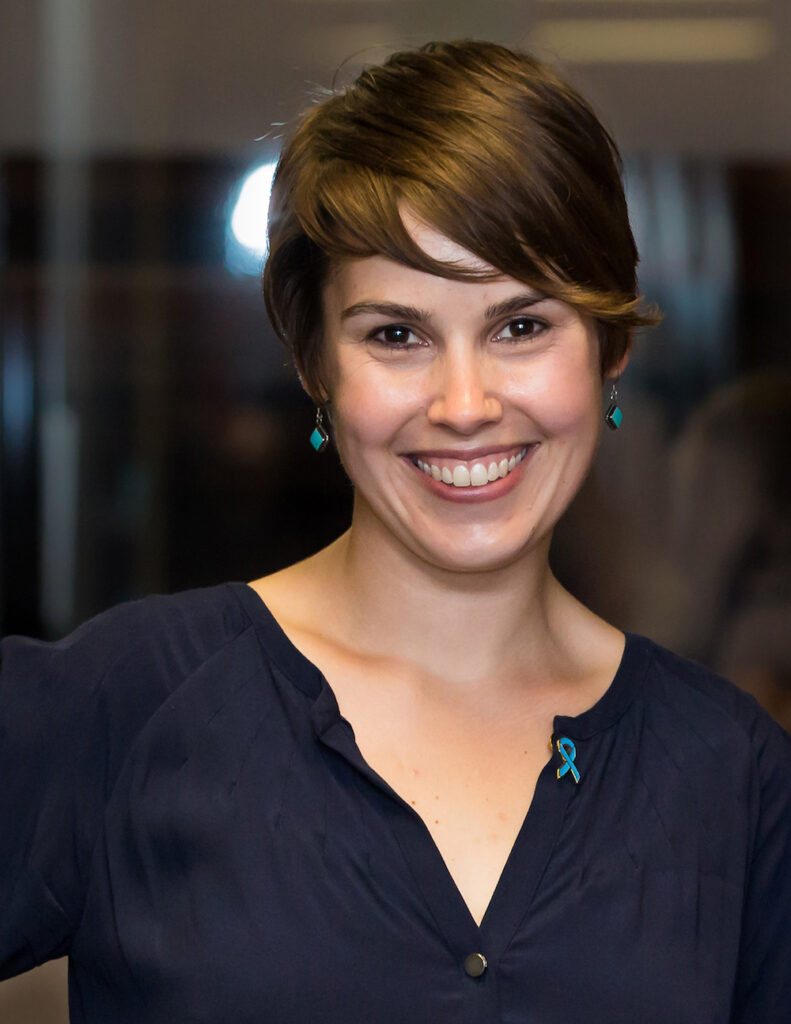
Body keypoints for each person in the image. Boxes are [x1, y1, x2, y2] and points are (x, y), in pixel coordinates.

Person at [1, 40, 789, 1023]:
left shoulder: (735, 776)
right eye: (395, 334)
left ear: (610, 349)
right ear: (313, 365)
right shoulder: (124, 707)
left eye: (519, 326)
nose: (463, 404)